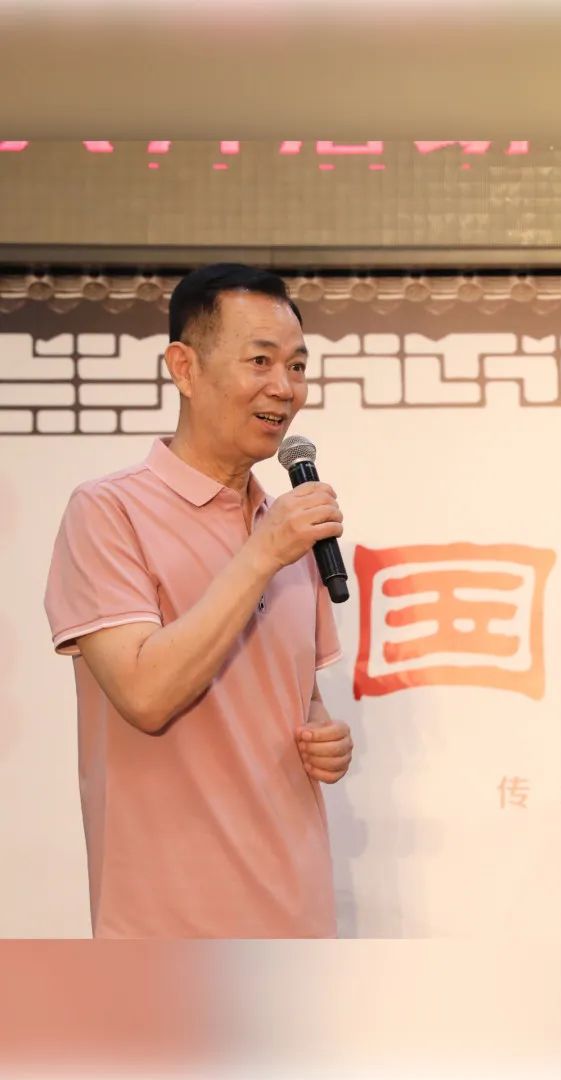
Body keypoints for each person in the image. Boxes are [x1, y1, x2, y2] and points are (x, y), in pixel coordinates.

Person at [45, 263, 353, 938]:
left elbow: (298, 696)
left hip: (297, 921)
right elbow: (144, 693)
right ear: (184, 368)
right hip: (165, 929)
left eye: (297, 366)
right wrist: (263, 553)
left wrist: (324, 736)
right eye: (260, 361)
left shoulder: (284, 525)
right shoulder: (108, 511)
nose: (284, 388)